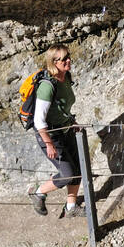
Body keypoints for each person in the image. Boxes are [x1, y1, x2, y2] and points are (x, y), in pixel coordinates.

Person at [27, 45, 83, 217]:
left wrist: (72, 122)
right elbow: (39, 120)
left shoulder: (65, 78)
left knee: (78, 170)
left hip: (66, 130)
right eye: (63, 59)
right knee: (67, 174)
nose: (68, 61)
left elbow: (61, 106)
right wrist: (49, 144)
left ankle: (71, 208)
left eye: (68, 56)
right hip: (50, 135)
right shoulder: (47, 86)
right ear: (54, 62)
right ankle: (38, 193)